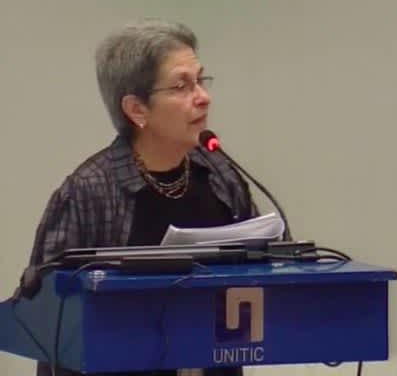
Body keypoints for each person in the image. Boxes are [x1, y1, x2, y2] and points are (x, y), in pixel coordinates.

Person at [29, 19, 258, 376]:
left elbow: (265, 276)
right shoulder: (88, 192)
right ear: (137, 109)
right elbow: (49, 319)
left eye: (201, 80)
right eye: (182, 86)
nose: (203, 97)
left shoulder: (220, 174)